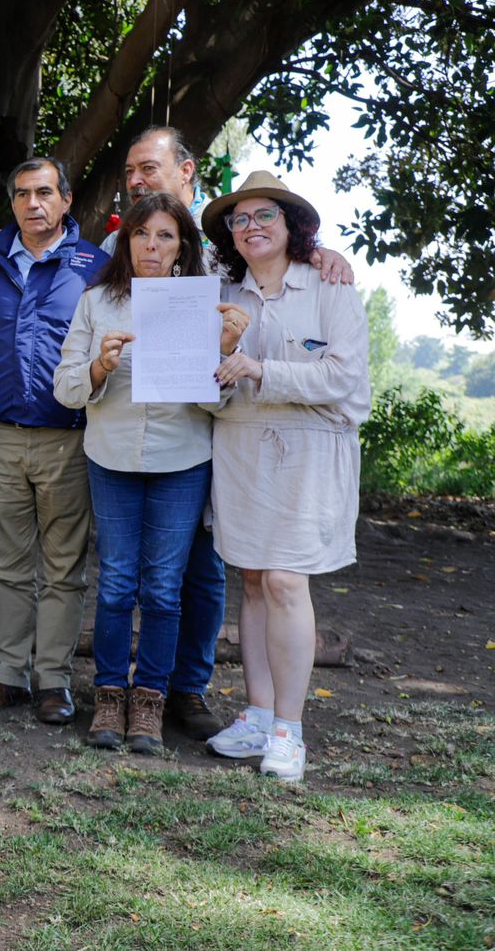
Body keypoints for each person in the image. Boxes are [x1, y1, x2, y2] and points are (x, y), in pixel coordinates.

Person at [102, 125, 355, 741]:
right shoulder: (134, 245)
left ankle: (188, 690)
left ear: (186, 172)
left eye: (150, 168)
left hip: (220, 440)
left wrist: (323, 254)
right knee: (224, 572)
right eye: (131, 170)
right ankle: (163, 693)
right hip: (205, 430)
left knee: (207, 572)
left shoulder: (233, 254)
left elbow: (299, 311)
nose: (138, 179)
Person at [53, 193, 250, 752]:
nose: (152, 246)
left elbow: (220, 409)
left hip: (181, 461)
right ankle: (109, 695)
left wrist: (223, 351)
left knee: (164, 589)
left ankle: (150, 702)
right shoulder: (96, 303)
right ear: (125, 241)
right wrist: (98, 366)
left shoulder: (204, 308)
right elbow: (66, 391)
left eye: (166, 236)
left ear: (183, 246)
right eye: (142, 234)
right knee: (116, 582)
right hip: (111, 456)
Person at [199, 171, 369, 782]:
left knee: (285, 582)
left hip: (311, 453)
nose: (251, 227)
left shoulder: (330, 286)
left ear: (292, 225)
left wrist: (260, 369)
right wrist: (219, 359)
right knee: (250, 581)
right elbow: (205, 391)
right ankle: (258, 714)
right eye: (239, 220)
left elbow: (342, 379)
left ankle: (289, 733)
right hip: (241, 448)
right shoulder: (223, 295)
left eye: (264, 215)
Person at [0, 158, 109, 725]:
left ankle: (53, 681)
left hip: (69, 438)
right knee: (5, 563)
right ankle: (7, 676)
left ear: (66, 200)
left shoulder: (95, 267)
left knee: (63, 567)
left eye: (44, 192)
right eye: (22, 194)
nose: (33, 204)